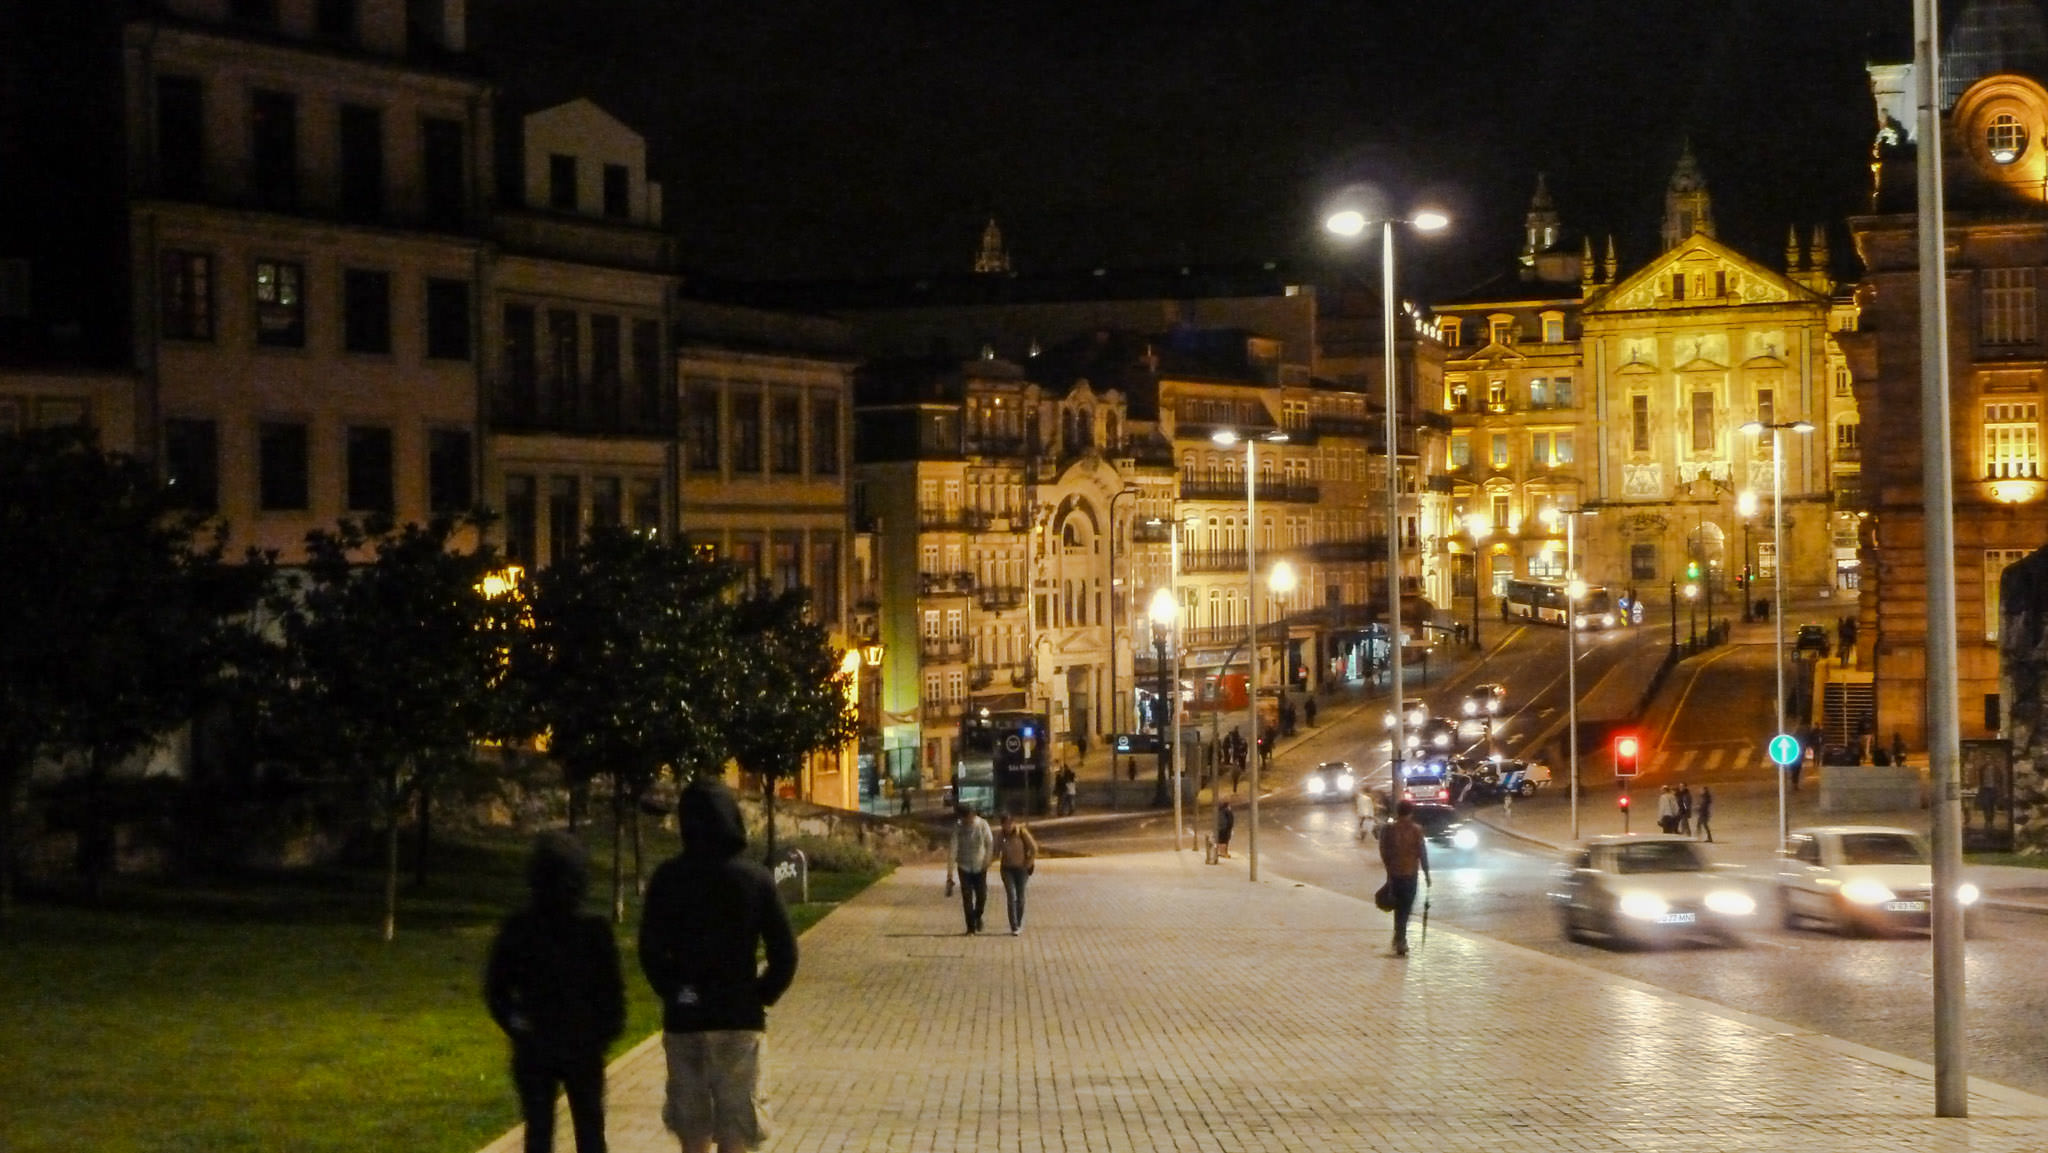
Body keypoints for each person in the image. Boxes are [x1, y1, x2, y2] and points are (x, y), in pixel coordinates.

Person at [640, 779, 799, 1153]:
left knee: (692, 1125)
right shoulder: (755, 880)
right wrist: (760, 994)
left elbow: (650, 951)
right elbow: (785, 953)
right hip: (737, 1017)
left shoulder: (667, 878)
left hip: (686, 1018)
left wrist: (676, 992)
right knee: (737, 1126)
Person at [486, 832, 625, 1153]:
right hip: (579, 1044)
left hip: (539, 1044)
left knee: (540, 1132)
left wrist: (517, 1025)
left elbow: (497, 991)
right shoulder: (593, 931)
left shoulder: (519, 928)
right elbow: (612, 993)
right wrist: (603, 1033)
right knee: (589, 1131)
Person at [1378, 800, 1431, 956]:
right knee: (1405, 907)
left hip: (1395, 874)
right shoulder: (1416, 830)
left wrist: (1389, 867)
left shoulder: (1389, 829)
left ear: (1398, 812)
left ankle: (1398, 937)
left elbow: (1383, 850)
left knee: (1398, 906)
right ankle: (1400, 939)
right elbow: (1422, 853)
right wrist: (1427, 874)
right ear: (1411, 812)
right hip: (1410, 874)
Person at [948, 802, 994, 933]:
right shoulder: (958, 827)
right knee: (967, 897)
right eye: (964, 818)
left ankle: (977, 916)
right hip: (964, 866)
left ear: (973, 814)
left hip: (980, 865)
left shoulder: (982, 825)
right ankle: (970, 927)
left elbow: (989, 843)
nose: (967, 821)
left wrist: (987, 860)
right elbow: (953, 848)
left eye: (969, 817)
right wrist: (950, 872)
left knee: (982, 896)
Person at [994, 810, 1039, 934]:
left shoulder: (1022, 833)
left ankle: (1019, 922)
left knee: (1020, 896)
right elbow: (995, 852)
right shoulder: (1000, 835)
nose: (1007, 826)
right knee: (1011, 895)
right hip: (1007, 869)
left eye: (1010, 823)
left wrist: (1029, 862)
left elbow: (1034, 848)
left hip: (1021, 869)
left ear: (1013, 823)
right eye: (1005, 824)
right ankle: (1013, 925)